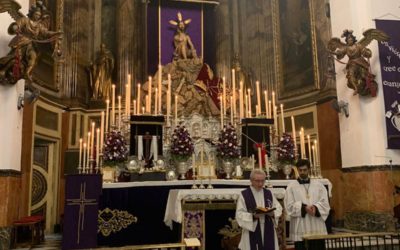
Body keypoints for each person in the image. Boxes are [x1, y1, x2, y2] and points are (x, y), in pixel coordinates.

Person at [0, 1, 61, 85]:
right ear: (32, 14)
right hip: (21, 41)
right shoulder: (25, 20)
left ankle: (27, 73)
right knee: (15, 57)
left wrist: (56, 33)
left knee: (33, 57)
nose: (37, 16)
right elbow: (17, 25)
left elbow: (46, 33)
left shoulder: (39, 26)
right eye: (36, 14)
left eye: (39, 16)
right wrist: (16, 27)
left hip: (31, 44)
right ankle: (4, 70)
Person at [284, 159, 330, 250]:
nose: (302, 172)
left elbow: (325, 203)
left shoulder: (319, 185)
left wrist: (316, 208)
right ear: (297, 170)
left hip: (316, 223)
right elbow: (288, 206)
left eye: (304, 170)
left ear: (309, 169)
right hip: (300, 224)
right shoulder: (291, 187)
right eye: (300, 170)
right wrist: (303, 208)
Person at [328, 29, 389, 96]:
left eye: (351, 39)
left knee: (363, 76)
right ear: (347, 41)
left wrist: (367, 53)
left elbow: (364, 51)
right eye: (348, 40)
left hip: (360, 63)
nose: (350, 40)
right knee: (350, 76)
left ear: (353, 39)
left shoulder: (358, 45)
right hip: (352, 64)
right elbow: (339, 53)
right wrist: (332, 52)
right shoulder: (346, 48)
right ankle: (356, 88)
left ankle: (365, 86)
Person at [236, 169, 282, 250]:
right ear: (251, 180)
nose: (260, 184)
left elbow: (278, 208)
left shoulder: (268, 193)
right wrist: (253, 216)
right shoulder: (244, 195)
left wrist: (273, 213)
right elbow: (239, 214)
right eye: (257, 181)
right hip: (252, 228)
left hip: (268, 228)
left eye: (262, 181)